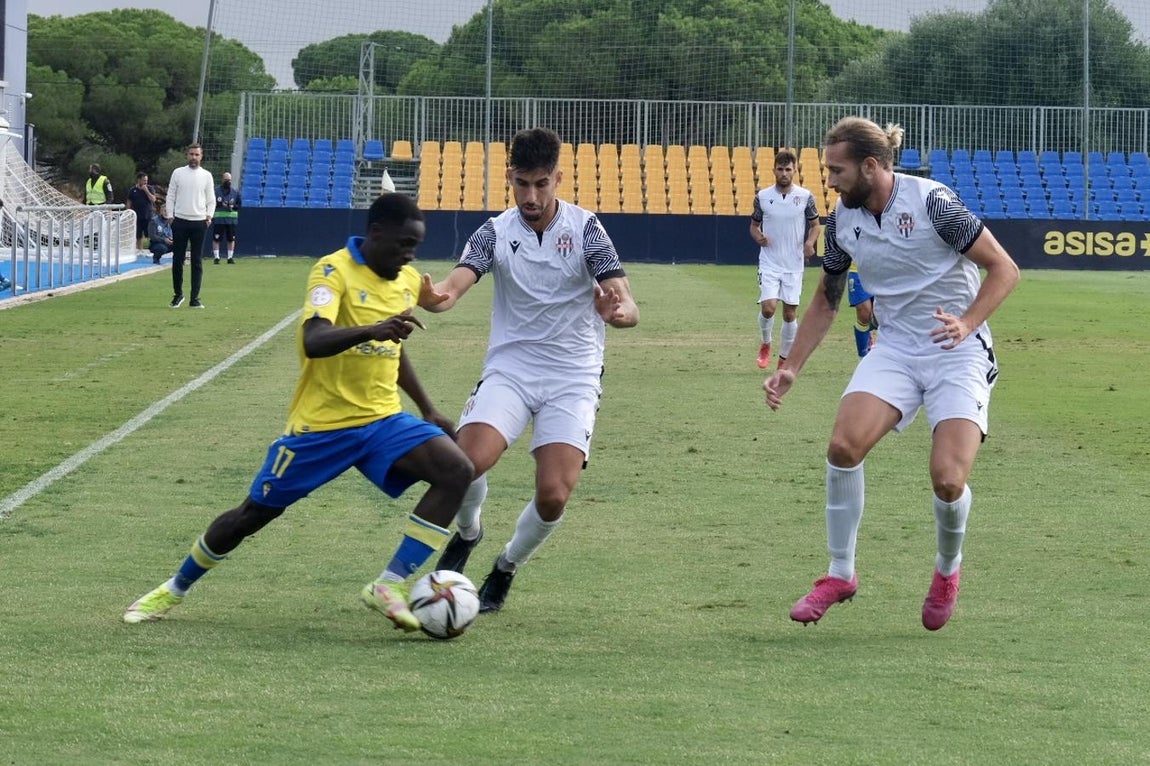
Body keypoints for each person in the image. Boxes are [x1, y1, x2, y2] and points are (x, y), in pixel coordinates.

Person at [124, 193, 475, 633]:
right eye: (404, 243)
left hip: (383, 419)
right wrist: (374, 328)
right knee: (252, 516)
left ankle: (390, 584)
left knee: (457, 470)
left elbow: (394, 347)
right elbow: (314, 339)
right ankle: (173, 588)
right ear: (375, 233)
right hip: (321, 427)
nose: (409, 255)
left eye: (415, 247)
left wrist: (428, 409)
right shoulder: (331, 271)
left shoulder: (405, 279)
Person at [763, 117, 1020, 631]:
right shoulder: (841, 224)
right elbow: (827, 300)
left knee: (948, 480)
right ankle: (840, 574)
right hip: (896, 348)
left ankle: (947, 569)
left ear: (872, 166)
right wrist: (791, 367)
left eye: (837, 171)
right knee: (842, 447)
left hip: (958, 350)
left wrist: (968, 323)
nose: (829, 181)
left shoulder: (933, 203)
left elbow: (1004, 269)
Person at [418, 126, 639, 614]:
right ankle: (470, 530)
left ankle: (506, 565)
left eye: (541, 184)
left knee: (554, 495)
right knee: (464, 464)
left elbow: (629, 306)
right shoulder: (494, 232)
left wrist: (616, 313)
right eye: (522, 184)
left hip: (573, 374)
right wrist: (435, 299)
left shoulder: (587, 229)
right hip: (512, 369)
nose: (532, 195)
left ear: (558, 178)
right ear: (510, 179)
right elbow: (454, 287)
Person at [749, 148, 822, 370]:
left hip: (793, 264)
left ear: (794, 171)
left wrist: (810, 243)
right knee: (769, 308)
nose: (784, 173)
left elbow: (815, 225)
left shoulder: (805, 197)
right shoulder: (762, 197)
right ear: (774, 170)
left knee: (790, 313)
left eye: (788, 169)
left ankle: (783, 360)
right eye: (780, 169)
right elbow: (753, 225)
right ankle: (765, 343)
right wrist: (758, 236)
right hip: (770, 262)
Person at [164, 144, 215, 308]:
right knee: (177, 259)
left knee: (196, 260)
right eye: (191, 154)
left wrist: (209, 216)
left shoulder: (207, 175)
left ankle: (195, 298)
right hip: (180, 221)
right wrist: (171, 216)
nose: (194, 157)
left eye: (197, 155)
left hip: (199, 222)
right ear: (187, 155)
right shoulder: (178, 173)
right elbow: (170, 195)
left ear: (201, 156)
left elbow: (211, 198)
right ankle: (178, 295)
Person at [848, 263, 877, 358]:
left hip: (882, 270)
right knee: (864, 314)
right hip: (857, 270)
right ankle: (863, 356)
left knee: (882, 314)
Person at [212, 171, 241, 264]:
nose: (227, 181)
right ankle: (216, 257)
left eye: (229, 180)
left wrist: (232, 207)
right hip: (219, 220)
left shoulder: (235, 192)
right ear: (222, 179)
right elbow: (211, 203)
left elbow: (239, 205)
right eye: (225, 179)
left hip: (231, 220)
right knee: (216, 239)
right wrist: (220, 204)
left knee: (231, 239)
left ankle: (230, 257)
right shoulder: (216, 191)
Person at [126, 172, 158, 251]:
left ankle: (153, 250)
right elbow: (129, 202)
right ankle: (139, 250)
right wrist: (128, 213)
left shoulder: (150, 188)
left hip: (148, 215)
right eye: (144, 180)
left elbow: (153, 199)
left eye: (146, 180)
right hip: (137, 216)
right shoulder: (132, 190)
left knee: (150, 235)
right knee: (138, 236)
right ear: (139, 180)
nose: (145, 182)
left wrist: (146, 191)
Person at [147, 200, 174, 264]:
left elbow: (172, 233)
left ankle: (179, 261)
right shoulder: (154, 221)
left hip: (168, 243)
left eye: (168, 211)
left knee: (180, 244)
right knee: (162, 248)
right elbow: (152, 236)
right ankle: (156, 258)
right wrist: (164, 240)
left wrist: (172, 239)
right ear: (161, 211)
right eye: (165, 211)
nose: (166, 213)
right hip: (156, 244)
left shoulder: (170, 221)